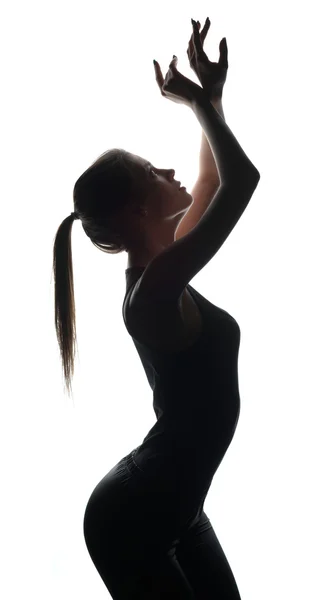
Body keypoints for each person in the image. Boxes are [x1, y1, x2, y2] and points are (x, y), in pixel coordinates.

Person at [53, 18, 260, 599]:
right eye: (151, 171)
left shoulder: (167, 263)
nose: (169, 172)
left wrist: (212, 98)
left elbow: (215, 176)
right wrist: (197, 106)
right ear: (136, 214)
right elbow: (242, 182)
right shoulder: (153, 291)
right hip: (132, 520)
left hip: (178, 507)